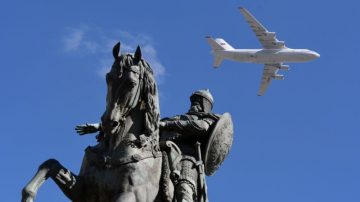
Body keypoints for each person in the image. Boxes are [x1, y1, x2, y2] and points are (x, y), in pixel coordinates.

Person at [160, 89, 219, 202]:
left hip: (186, 158)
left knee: (184, 189)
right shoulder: (178, 117)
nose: (194, 102)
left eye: (198, 100)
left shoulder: (208, 119)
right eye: (193, 100)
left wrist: (168, 124)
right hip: (163, 150)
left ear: (205, 104)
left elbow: (201, 127)